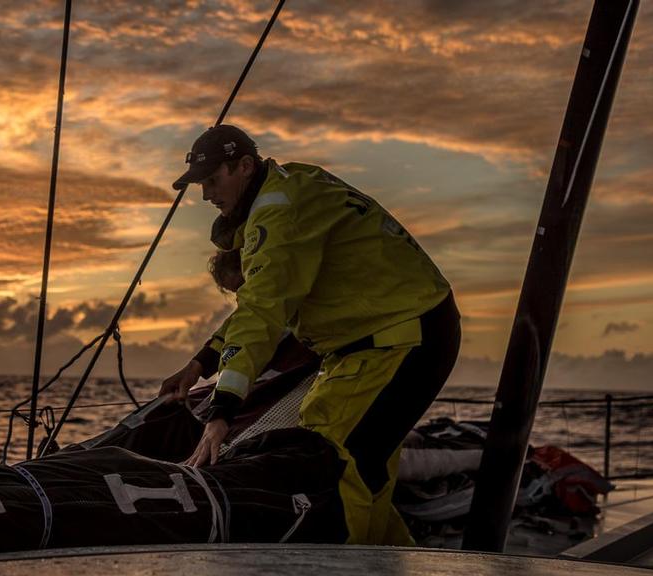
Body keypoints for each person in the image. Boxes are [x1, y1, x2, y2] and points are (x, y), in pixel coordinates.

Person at [159, 124, 461, 545]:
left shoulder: (277, 214)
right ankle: (392, 562)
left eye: (213, 180)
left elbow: (263, 310)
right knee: (363, 470)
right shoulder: (294, 183)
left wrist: (222, 411)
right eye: (200, 185)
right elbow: (265, 303)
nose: (206, 194)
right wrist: (202, 363)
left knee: (326, 459)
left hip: (399, 338)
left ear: (244, 166)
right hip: (406, 331)